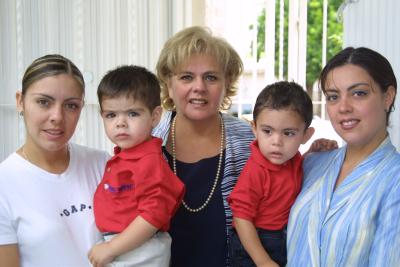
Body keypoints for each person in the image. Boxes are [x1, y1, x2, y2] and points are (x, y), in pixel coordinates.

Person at [286, 47, 400, 267]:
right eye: (333, 97)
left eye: (359, 93)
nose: (343, 107)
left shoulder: (394, 180)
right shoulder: (313, 163)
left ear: (388, 97)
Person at [152, 26, 255, 266]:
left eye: (211, 77)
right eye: (186, 77)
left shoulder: (250, 141)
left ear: (226, 83)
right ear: (169, 84)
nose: (199, 87)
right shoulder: (145, 140)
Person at [0, 54, 109, 267]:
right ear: (20, 102)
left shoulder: (102, 164)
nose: (57, 116)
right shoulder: (4, 183)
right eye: (43, 102)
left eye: (71, 105)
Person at [88, 65, 185, 267]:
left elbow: (152, 216)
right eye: (111, 115)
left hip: (140, 248)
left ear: (155, 116)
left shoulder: (149, 161)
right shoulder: (125, 157)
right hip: (124, 245)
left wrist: (111, 248)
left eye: (132, 114)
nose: (120, 123)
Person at [228, 81, 316, 267]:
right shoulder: (256, 171)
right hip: (253, 244)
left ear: (306, 135)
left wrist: (313, 151)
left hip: (282, 236)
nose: (276, 142)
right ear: (254, 129)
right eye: (267, 131)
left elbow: (297, 172)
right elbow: (241, 218)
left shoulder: (293, 159)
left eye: (289, 133)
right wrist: (263, 261)